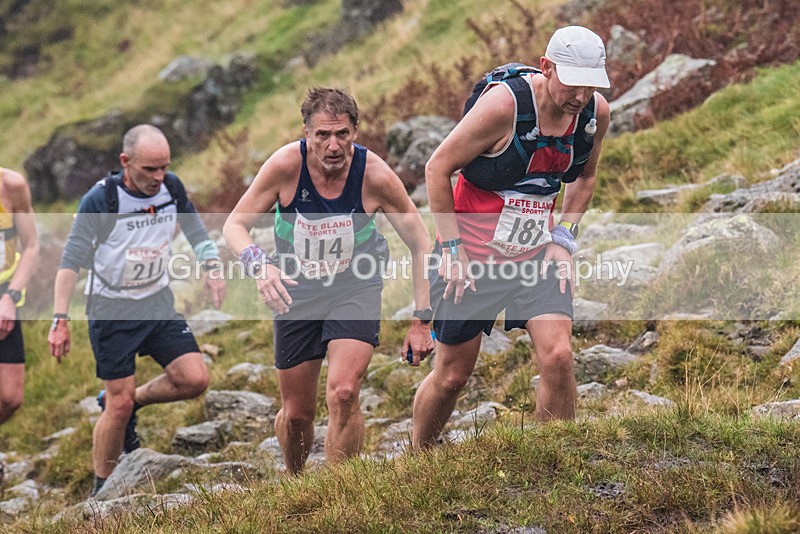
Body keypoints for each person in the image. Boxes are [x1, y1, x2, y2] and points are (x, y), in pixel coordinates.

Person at [412, 26, 611, 448]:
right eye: (573, 84)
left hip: (537, 255)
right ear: (546, 67)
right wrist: (452, 249)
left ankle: (553, 457)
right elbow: (437, 168)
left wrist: (564, 237)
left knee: (559, 356)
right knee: (452, 377)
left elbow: (586, 177)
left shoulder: (595, 114)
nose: (580, 97)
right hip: (472, 257)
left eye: (590, 86)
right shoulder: (504, 106)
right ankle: (419, 454)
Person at [224, 87, 434, 473]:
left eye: (342, 134)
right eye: (322, 135)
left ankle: (340, 487)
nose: (333, 145)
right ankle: (296, 479)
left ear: (356, 131)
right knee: (296, 415)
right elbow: (234, 225)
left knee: (344, 393)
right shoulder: (285, 166)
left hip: (355, 285)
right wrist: (260, 266)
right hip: (296, 292)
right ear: (307, 133)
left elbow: (421, 243)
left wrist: (422, 320)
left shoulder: (374, 175)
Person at [47, 124, 227, 496]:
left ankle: (134, 403)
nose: (159, 177)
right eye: (150, 169)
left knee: (194, 380)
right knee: (119, 404)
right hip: (111, 310)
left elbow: (195, 229)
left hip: (157, 302)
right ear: (126, 161)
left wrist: (212, 267)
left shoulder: (171, 187)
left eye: (164, 167)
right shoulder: (101, 200)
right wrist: (60, 319)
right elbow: (70, 262)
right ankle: (102, 491)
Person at [0, 167, 39, 427]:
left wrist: (10, 298)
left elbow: (31, 246)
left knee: (10, 397)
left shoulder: (11, 185)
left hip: (4, 294)